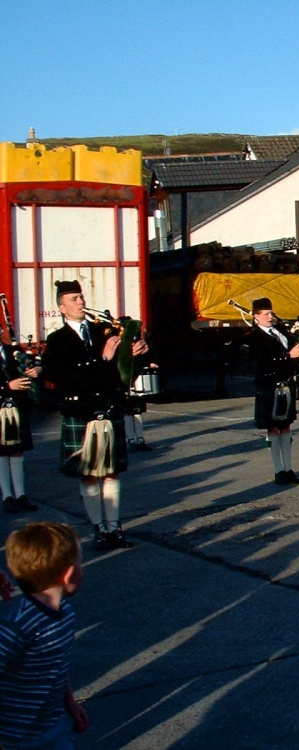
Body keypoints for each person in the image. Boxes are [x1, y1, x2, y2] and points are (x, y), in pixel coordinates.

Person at [42, 280, 147, 549]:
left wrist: (137, 354)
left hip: (108, 407)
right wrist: (102, 359)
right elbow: (66, 378)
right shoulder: (57, 340)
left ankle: (114, 528)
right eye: (74, 299)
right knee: (89, 474)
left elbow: (124, 372)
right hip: (81, 411)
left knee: (111, 472)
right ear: (62, 307)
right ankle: (98, 528)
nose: (81, 302)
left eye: (81, 297)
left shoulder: (103, 331)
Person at [0, 522, 89, 748]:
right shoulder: (18, 626)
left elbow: (57, 663)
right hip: (14, 737)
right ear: (68, 574)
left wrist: (70, 701)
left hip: (51, 724)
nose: (83, 569)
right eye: (80, 563)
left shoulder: (65, 614)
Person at [249, 298, 299, 484]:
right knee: (273, 427)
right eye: (265, 314)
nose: (270, 317)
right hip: (268, 386)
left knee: (286, 426)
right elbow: (263, 362)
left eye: (270, 313)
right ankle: (278, 471)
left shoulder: (280, 332)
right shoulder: (255, 337)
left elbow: (295, 353)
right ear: (256, 316)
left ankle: (288, 469)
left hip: (286, 384)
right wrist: (288, 356)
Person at [0, 335, 40, 514]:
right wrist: (6, 387)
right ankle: (7, 496)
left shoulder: (12, 351)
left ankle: (21, 495)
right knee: (1, 451)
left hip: (17, 406)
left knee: (17, 450)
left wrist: (37, 368)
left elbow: (30, 366)